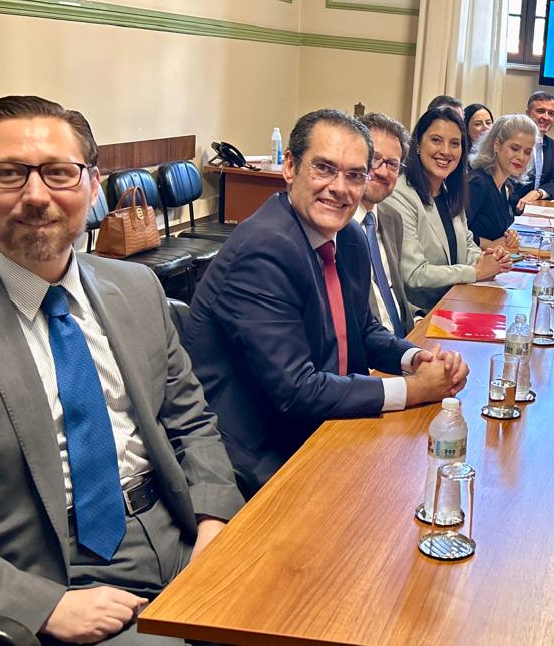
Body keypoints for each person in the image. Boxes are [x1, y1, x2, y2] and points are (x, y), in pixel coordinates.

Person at [0, 96, 244, 644]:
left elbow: (192, 423)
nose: (36, 195)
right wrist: (42, 606)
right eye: (9, 173)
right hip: (50, 577)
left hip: (179, 537)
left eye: (59, 173)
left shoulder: (137, 289)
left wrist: (213, 522)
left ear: (92, 184)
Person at [184, 109, 467, 495]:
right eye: (324, 168)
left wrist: (416, 359)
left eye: (354, 175)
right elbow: (297, 390)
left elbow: (362, 327)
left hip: (330, 425)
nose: (339, 187)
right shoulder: (264, 249)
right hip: (259, 455)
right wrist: (416, 390)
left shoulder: (349, 238)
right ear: (290, 167)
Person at [384, 106, 513, 313]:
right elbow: (415, 274)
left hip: (455, 301)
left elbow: (467, 244)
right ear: (418, 144)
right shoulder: (400, 195)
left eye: (454, 143)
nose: (445, 151)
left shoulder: (448, 190)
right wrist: (475, 272)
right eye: (436, 140)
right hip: (421, 314)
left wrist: (488, 259)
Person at [354, 112, 415, 334]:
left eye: (392, 164)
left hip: (406, 340)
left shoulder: (391, 218)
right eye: (374, 159)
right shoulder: (335, 225)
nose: (382, 171)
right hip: (369, 348)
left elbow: (393, 292)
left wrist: (418, 321)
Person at [467, 114, 535, 251]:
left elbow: (494, 230)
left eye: (527, 152)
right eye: (515, 149)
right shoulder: (477, 183)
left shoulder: (504, 186)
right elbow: (456, 233)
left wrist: (509, 235)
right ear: (497, 145)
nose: (521, 157)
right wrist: (490, 245)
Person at [511, 91, 554, 210]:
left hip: (537, 208)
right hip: (511, 209)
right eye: (541, 111)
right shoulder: (513, 143)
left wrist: (538, 193)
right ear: (528, 113)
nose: (546, 117)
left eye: (551, 113)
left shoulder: (552, 146)